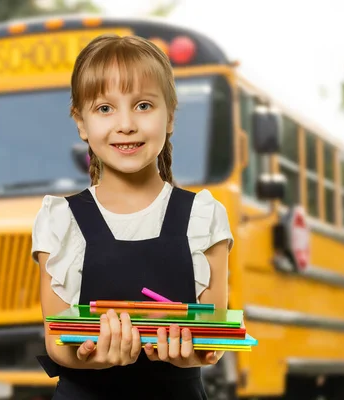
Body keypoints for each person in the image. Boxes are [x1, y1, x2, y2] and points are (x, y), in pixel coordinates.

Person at [31, 33, 234, 400]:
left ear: (170, 115)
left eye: (143, 105)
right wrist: (94, 358)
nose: (125, 124)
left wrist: (188, 355)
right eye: (105, 109)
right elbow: (57, 342)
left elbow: (212, 339)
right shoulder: (60, 220)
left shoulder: (203, 217)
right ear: (81, 122)